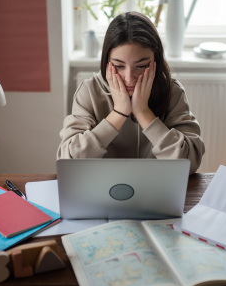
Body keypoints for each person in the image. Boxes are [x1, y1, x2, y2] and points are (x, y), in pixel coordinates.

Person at [57, 11, 205, 174]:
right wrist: (119, 113)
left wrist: (143, 112)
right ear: (107, 62)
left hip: (156, 191)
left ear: (156, 61)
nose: (129, 78)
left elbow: (190, 163)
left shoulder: (173, 91)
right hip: (101, 190)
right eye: (119, 66)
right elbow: (68, 161)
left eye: (141, 66)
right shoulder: (89, 91)